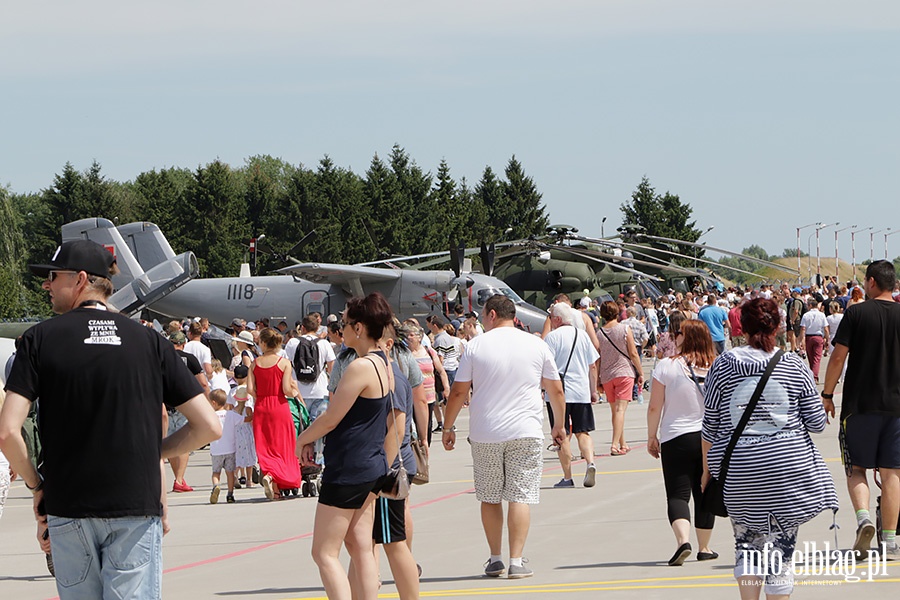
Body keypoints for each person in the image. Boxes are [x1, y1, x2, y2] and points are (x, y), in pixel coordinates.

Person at [0, 239, 221, 600]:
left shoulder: (39, 339)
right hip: (134, 503)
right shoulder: (151, 342)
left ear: (81, 279)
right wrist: (154, 454)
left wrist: (36, 484)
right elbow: (209, 426)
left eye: (53, 276)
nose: (46, 285)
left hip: (69, 504)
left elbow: (8, 431)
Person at [702, 298, 838, 598]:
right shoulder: (793, 364)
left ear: (742, 327)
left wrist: (707, 469)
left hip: (741, 469)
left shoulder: (723, 365)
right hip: (787, 468)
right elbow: (816, 423)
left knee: (746, 545)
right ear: (778, 326)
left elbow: (710, 424)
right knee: (781, 550)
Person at [442, 295, 566, 579]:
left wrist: (448, 427)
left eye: (484, 315)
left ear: (493, 315)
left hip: (486, 431)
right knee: (520, 496)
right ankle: (517, 561)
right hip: (526, 431)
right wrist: (558, 424)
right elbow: (555, 390)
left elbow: (459, 392)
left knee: (490, 496)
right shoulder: (537, 344)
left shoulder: (475, 346)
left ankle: (495, 558)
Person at [296, 292, 396, 600]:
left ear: (360, 328)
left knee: (324, 552)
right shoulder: (384, 363)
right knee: (360, 545)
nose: (342, 329)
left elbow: (331, 418)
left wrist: (302, 438)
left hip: (349, 467)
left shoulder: (360, 367)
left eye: (346, 323)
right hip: (371, 463)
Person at [822, 260, 900, 560]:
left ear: (870, 282)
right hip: (895, 407)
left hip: (859, 405)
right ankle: (891, 541)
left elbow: (838, 358)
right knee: (893, 472)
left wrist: (827, 394)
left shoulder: (855, 313)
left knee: (857, 469)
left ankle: (865, 518)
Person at [647, 320, 718, 566]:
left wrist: (651, 435)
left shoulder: (667, 366)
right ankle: (705, 547)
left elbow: (655, 405)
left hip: (676, 437)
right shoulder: (717, 366)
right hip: (709, 437)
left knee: (677, 494)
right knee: (705, 491)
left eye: (679, 333)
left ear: (684, 338)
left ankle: (682, 542)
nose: (675, 336)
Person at [544, 303, 600, 488]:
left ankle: (567, 477)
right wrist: (593, 389)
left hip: (558, 393)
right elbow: (592, 365)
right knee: (582, 432)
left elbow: (546, 366)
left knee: (562, 434)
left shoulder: (552, 338)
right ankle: (590, 462)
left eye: (551, 317)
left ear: (557, 319)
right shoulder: (582, 335)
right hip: (581, 391)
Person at [247, 328, 302, 500]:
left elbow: (250, 390)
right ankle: (273, 478)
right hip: (279, 406)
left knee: (266, 447)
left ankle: (272, 480)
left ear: (262, 343)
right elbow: (286, 389)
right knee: (282, 445)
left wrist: (261, 396)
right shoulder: (284, 363)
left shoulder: (255, 363)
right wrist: (295, 392)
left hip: (262, 407)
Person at [597, 301, 643, 455]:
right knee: (620, 410)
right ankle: (615, 444)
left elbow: (598, 358)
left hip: (607, 375)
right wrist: (640, 372)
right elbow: (633, 353)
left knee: (615, 411)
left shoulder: (600, 333)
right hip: (624, 372)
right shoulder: (624, 329)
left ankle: (623, 443)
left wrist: (597, 379)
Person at [209, 389, 243, 504]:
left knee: (216, 472)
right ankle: (230, 494)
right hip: (230, 449)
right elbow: (244, 420)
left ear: (213, 403)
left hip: (216, 449)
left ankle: (216, 486)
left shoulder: (210, 416)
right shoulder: (231, 415)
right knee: (230, 473)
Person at [798, 297, 829, 383]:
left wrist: (802, 340)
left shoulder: (806, 315)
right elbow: (826, 328)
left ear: (811, 305)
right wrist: (827, 339)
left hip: (808, 337)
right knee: (816, 358)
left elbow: (803, 328)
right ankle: (814, 376)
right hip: (818, 337)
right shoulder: (822, 315)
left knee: (811, 358)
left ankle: (813, 375)